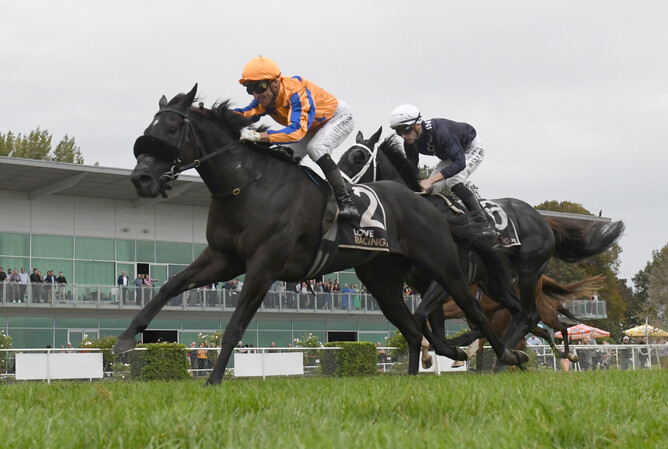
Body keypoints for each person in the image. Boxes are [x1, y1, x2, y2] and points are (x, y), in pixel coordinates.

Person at [235, 56, 359, 219]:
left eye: (260, 87)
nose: (257, 95)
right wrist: (214, 115)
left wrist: (258, 136)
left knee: (316, 148)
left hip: (337, 117)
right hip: (311, 125)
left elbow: (296, 132)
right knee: (283, 155)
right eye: (250, 90)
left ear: (276, 82)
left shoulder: (295, 91)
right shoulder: (265, 98)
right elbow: (244, 114)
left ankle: (347, 203)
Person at [389, 104, 497, 238]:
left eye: (405, 130)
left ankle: (484, 224)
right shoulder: (410, 142)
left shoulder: (441, 132)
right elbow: (412, 169)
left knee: (453, 180)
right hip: (452, 155)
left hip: (469, 148)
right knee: (429, 189)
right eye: (398, 132)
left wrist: (430, 180)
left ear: (417, 124)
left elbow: (460, 163)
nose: (403, 136)